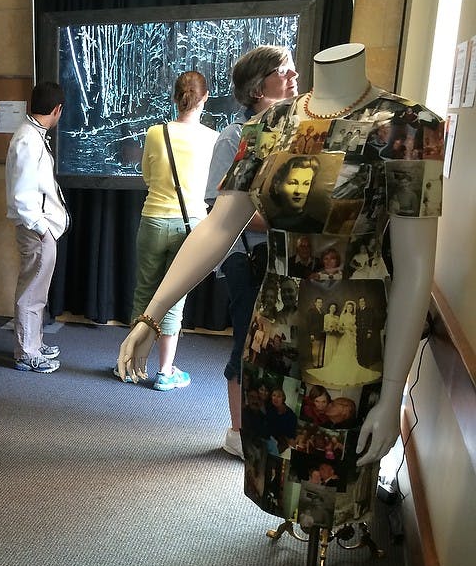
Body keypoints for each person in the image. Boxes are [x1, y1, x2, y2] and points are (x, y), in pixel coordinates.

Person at [118, 42, 443, 533]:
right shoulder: (268, 127)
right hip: (271, 331)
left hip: (346, 336)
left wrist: (394, 388)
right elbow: (218, 227)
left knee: (328, 478)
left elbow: (417, 267)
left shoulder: (408, 127)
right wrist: (151, 314)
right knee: (279, 470)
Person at [210, 47, 302, 460]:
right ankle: (238, 432)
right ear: (258, 85)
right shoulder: (235, 137)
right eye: (284, 70)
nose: (295, 74)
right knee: (247, 341)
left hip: (288, 257)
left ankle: (268, 425)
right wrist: (292, 220)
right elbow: (225, 212)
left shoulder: (300, 132)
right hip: (248, 256)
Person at [128, 70, 217, 390]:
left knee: (145, 292)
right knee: (174, 297)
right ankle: (165, 373)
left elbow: (148, 177)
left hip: (152, 219)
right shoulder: (212, 138)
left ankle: (132, 366)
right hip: (190, 226)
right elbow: (213, 186)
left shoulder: (155, 133)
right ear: (204, 97)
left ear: (175, 97)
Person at [5, 81, 69, 374]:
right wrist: (41, 228)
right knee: (31, 292)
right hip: (37, 230)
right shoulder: (28, 140)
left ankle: (33, 342)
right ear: (57, 110)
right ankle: (26, 353)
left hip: (41, 229)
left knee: (37, 291)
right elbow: (22, 193)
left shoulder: (33, 135)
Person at [268, 154, 322, 231]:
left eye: (306, 184)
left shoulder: (318, 227)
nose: (298, 191)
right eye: (293, 183)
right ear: (277, 186)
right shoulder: (267, 224)